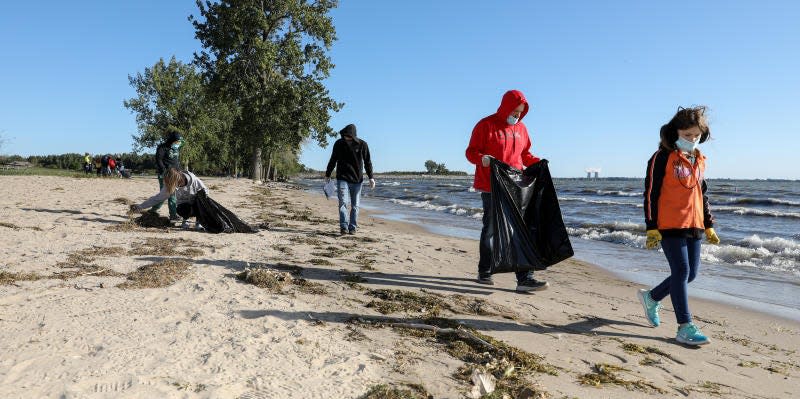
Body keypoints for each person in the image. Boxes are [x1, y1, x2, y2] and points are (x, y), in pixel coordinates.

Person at [638, 106, 719, 346]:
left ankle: (652, 298)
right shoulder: (661, 157)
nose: (692, 139)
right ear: (676, 132)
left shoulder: (700, 159)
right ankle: (685, 326)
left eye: (696, 136)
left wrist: (709, 224)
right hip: (669, 223)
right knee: (682, 271)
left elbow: (702, 194)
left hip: (694, 223)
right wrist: (651, 226)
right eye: (687, 135)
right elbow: (650, 193)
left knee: (690, 274)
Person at [465, 89, 548, 292]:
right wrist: (482, 159)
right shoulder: (485, 125)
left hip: (515, 185)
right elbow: (471, 151)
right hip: (491, 186)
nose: (517, 115)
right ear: (505, 107)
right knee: (491, 230)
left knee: (520, 231)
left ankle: (525, 278)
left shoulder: (522, 129)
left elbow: (525, 155)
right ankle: (485, 271)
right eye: (515, 110)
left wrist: (539, 163)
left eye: (521, 111)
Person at [325, 124, 375, 235]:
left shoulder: (362, 145)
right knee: (343, 202)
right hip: (342, 178)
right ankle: (343, 226)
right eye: (345, 135)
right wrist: (328, 174)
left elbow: (368, 162)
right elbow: (333, 159)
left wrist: (371, 177)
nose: (346, 138)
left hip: (357, 180)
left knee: (355, 205)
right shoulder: (339, 144)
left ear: (354, 136)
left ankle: (352, 227)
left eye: (349, 136)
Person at [130, 168, 208, 230]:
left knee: (200, 201)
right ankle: (185, 219)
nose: (169, 185)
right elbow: (157, 198)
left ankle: (199, 221)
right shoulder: (170, 186)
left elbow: (206, 192)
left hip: (197, 203)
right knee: (181, 208)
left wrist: (201, 200)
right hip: (185, 205)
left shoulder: (194, 180)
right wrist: (140, 207)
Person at [151, 132, 183, 221]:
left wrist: (180, 171)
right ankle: (172, 215)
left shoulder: (176, 149)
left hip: (175, 175)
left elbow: (176, 161)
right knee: (168, 195)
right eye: (177, 141)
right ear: (172, 140)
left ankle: (154, 210)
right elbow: (159, 160)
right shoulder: (162, 148)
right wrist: (164, 171)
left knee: (169, 195)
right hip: (165, 175)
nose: (178, 143)